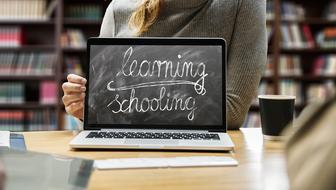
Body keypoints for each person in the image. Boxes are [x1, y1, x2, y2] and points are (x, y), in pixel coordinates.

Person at [62, 0, 267, 129]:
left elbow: (232, 111)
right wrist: (85, 108)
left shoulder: (243, 4)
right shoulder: (118, 9)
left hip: (205, 159)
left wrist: (121, 109)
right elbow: (103, 110)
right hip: (125, 155)